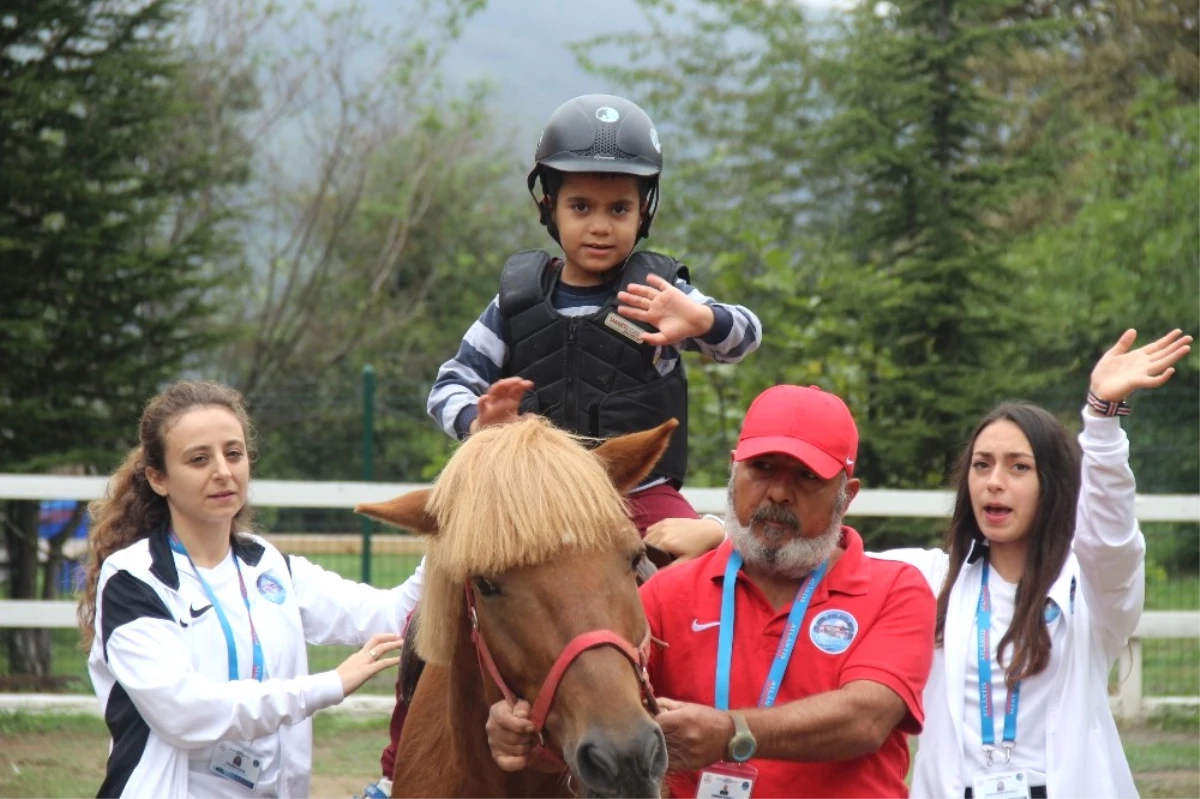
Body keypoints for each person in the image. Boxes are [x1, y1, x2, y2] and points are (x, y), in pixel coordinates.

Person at [485, 384, 937, 798]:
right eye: (761, 468)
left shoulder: (896, 588)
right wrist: (524, 733)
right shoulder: (666, 593)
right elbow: (604, 717)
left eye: (806, 477)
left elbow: (865, 719)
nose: (778, 492)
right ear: (733, 469)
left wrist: (732, 732)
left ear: (848, 494)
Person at [871, 328, 1191, 799]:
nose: (994, 482)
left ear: (1052, 483)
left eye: (1018, 467)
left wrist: (1101, 419)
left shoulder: (1090, 589)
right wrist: (722, 529)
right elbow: (826, 557)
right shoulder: (930, 579)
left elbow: (1112, 536)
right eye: (982, 465)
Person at [426, 93, 762, 535]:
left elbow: (746, 337)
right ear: (549, 207)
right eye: (581, 207)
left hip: (639, 495)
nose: (600, 226)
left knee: (699, 576)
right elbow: (448, 386)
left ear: (644, 212)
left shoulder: (658, 293)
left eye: (619, 209)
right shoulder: (514, 302)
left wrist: (702, 320)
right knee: (454, 575)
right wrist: (477, 422)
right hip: (533, 497)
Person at [78, 380, 424, 798]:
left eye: (233, 453)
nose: (223, 472)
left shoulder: (267, 564)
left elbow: (392, 615)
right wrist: (327, 685)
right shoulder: (134, 578)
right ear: (158, 478)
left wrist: (465, 507)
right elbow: (186, 714)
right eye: (199, 459)